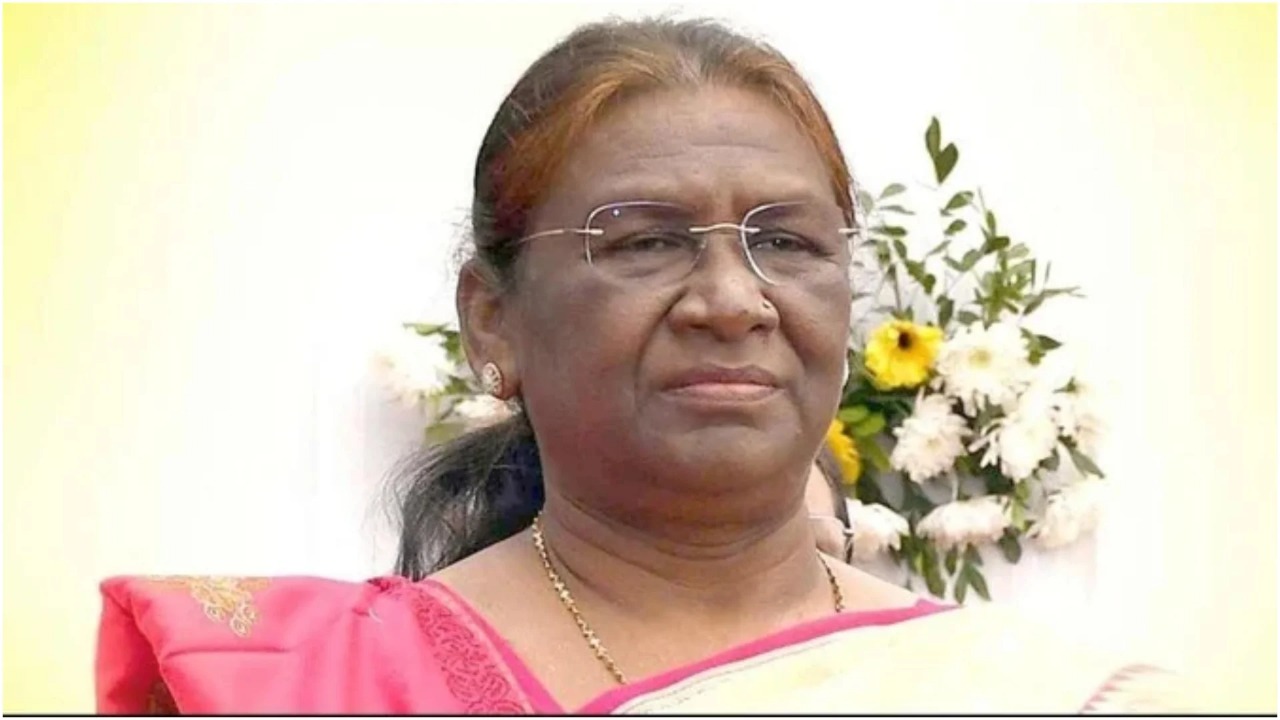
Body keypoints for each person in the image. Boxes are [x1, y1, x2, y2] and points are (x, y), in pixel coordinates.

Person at [95, 17, 1194, 714]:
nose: (732, 301)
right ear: (491, 322)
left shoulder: (1036, 696)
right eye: (643, 242)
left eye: (786, 241)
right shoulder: (301, 685)